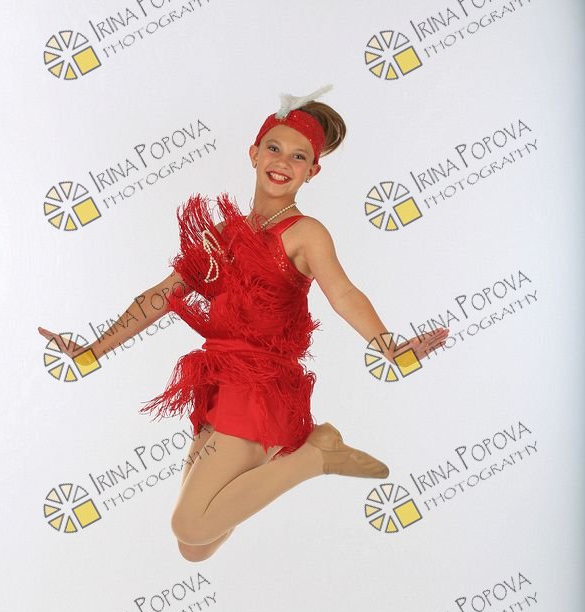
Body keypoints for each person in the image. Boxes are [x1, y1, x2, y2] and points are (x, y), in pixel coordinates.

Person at [38, 85, 448, 562]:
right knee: (194, 548)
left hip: (258, 387)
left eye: (298, 156)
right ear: (254, 153)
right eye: (274, 148)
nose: (283, 161)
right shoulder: (221, 236)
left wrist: (387, 345)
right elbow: (161, 296)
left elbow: (343, 294)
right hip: (217, 381)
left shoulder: (305, 233)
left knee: (189, 523)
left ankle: (316, 456)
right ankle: (297, 457)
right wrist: (92, 350)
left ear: (312, 171)